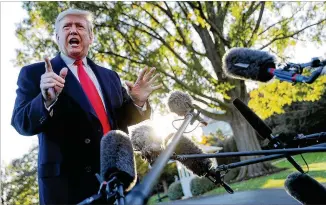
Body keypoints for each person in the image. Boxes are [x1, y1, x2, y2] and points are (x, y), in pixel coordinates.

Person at [11, 8, 162, 204]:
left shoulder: (110, 76)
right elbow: (20, 123)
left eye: (80, 26)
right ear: (57, 37)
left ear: (91, 37)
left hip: (118, 180)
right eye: (67, 27)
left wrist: (137, 101)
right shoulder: (34, 74)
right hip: (67, 189)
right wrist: (45, 101)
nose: (73, 30)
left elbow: (121, 119)